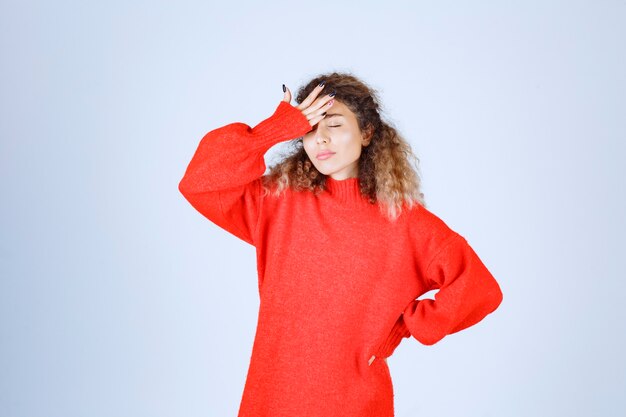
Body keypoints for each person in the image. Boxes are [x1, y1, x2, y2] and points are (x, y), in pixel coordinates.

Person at [178, 72, 503, 417]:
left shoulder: (405, 221)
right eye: (309, 127)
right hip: (273, 395)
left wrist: (406, 326)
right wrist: (274, 128)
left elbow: (479, 289)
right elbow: (199, 183)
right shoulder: (276, 202)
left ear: (367, 133)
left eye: (333, 124)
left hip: (354, 401)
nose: (319, 139)